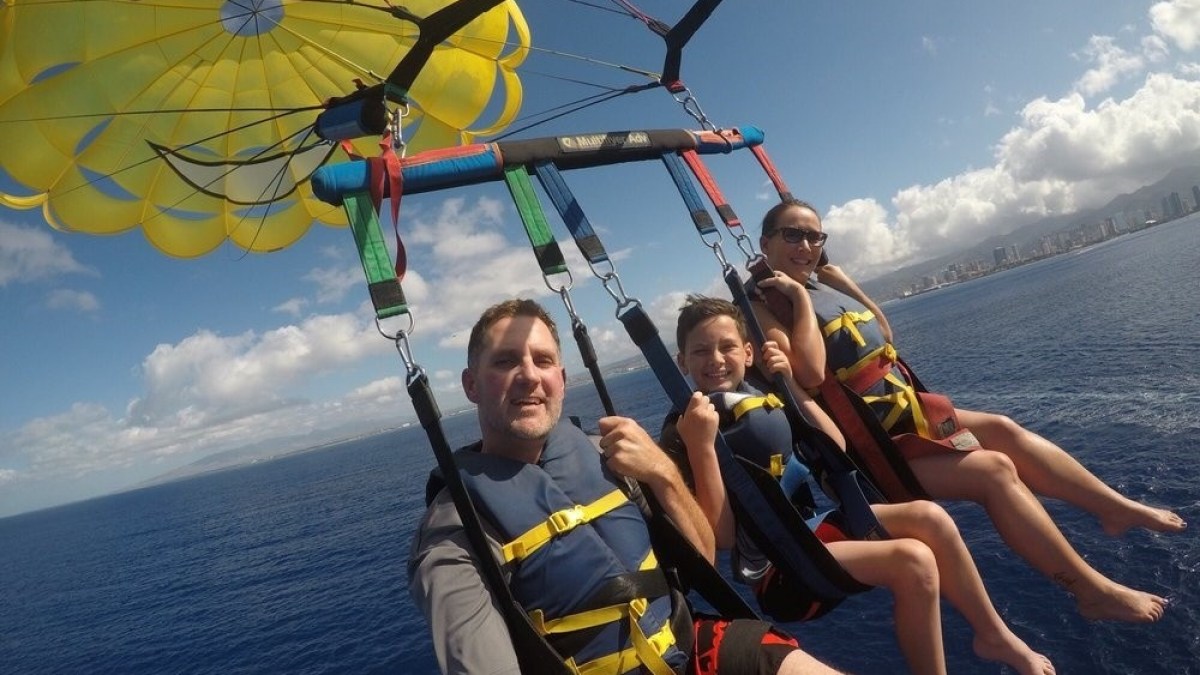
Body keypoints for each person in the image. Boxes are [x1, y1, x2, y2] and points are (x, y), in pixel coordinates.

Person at [751, 198, 1184, 623]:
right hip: (872, 449)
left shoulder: (816, 285)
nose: (806, 246)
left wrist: (839, 280)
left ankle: (1112, 508)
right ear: (765, 243)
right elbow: (807, 373)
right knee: (993, 471)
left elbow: (882, 331)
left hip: (906, 414)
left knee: (1003, 428)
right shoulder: (760, 305)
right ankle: (1089, 591)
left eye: (815, 236)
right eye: (793, 235)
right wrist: (800, 300)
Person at [408, 298, 842, 675]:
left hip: (689, 648)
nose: (529, 376)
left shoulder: (612, 452)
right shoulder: (455, 528)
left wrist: (665, 474)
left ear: (561, 378)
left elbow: (704, 558)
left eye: (542, 361)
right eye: (505, 361)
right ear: (470, 385)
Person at [666, 295, 1054, 675]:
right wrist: (701, 446)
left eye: (727, 346)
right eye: (700, 352)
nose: (715, 359)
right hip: (781, 572)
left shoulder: (757, 392)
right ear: (682, 361)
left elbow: (835, 445)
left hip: (812, 533)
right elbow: (722, 537)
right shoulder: (682, 431)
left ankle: (994, 636)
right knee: (913, 561)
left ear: (748, 353)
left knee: (931, 518)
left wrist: (790, 385)